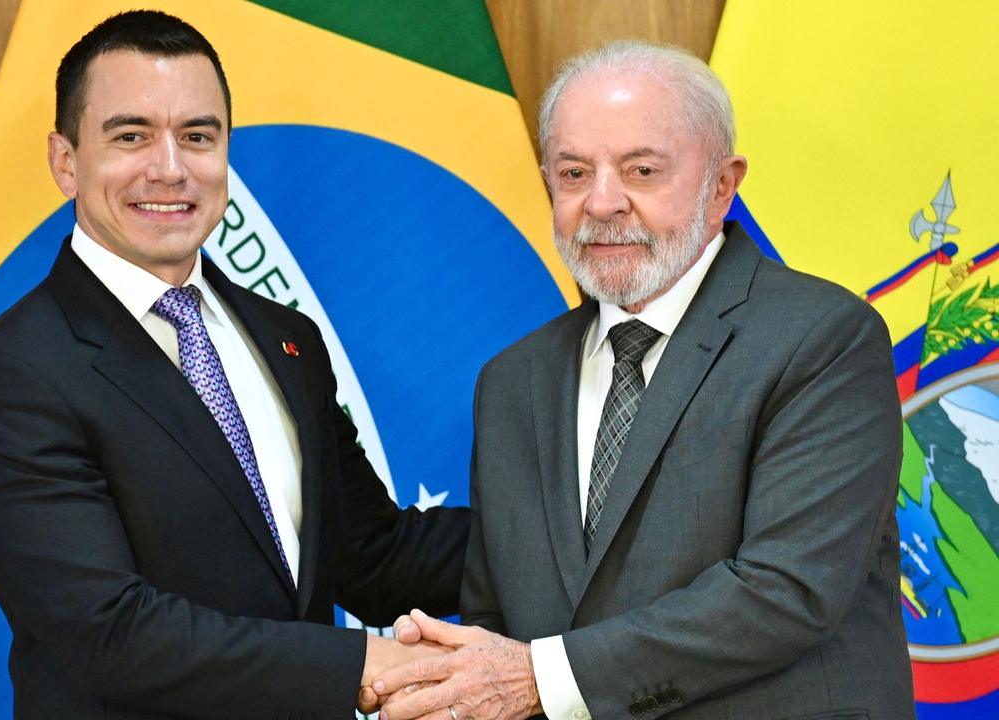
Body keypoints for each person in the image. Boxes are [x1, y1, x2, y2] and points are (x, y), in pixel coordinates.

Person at [0, 10, 468, 720]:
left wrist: (586, 534)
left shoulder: (288, 340)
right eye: (130, 136)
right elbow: (111, 634)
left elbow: (370, 557)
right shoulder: (9, 376)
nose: (170, 167)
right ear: (66, 161)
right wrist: (366, 664)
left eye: (197, 136)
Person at [371, 41, 916, 720]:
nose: (601, 202)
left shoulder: (823, 337)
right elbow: (497, 624)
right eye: (572, 174)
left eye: (642, 170)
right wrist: (449, 679)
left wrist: (538, 678)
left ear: (723, 184)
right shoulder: (512, 382)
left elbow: (787, 590)